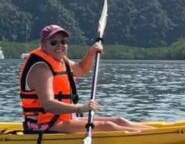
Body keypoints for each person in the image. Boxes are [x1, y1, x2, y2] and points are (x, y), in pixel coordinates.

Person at [19, 24, 153, 134]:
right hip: (45, 125)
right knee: (109, 126)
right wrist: (80, 108)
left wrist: (91, 54)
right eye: (54, 42)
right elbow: (48, 105)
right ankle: (153, 139)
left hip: (64, 118)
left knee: (119, 120)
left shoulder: (60, 60)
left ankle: (165, 133)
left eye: (63, 42)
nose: (60, 45)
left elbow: (81, 70)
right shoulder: (41, 68)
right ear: (43, 46)